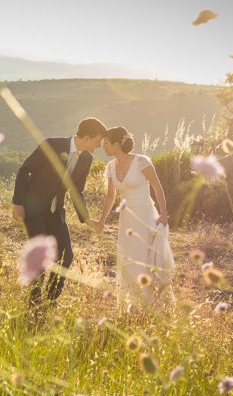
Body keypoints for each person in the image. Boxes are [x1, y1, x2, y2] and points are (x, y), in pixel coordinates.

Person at [12, 117, 107, 309]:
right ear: (87, 137)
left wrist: (86, 218)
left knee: (67, 255)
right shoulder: (52, 145)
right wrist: (17, 202)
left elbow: (76, 190)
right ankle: (34, 300)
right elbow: (25, 169)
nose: (98, 146)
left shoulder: (87, 158)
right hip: (34, 209)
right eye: (97, 141)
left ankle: (51, 300)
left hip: (56, 212)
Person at [92, 126, 175, 308]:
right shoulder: (110, 166)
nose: (103, 146)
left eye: (105, 143)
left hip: (145, 216)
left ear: (115, 144)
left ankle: (153, 305)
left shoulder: (141, 161)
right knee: (129, 260)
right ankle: (134, 305)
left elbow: (157, 186)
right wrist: (102, 221)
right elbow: (111, 196)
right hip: (126, 219)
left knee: (146, 260)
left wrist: (163, 214)